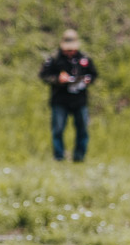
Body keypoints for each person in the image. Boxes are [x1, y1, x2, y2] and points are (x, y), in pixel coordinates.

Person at [38, 27, 98, 163]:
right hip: (60, 100)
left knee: (82, 129)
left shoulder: (84, 59)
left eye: (72, 49)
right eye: (68, 49)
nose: (70, 52)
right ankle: (59, 157)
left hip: (79, 100)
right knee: (58, 129)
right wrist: (58, 79)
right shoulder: (54, 59)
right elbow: (44, 76)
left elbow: (94, 74)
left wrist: (88, 80)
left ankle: (79, 157)